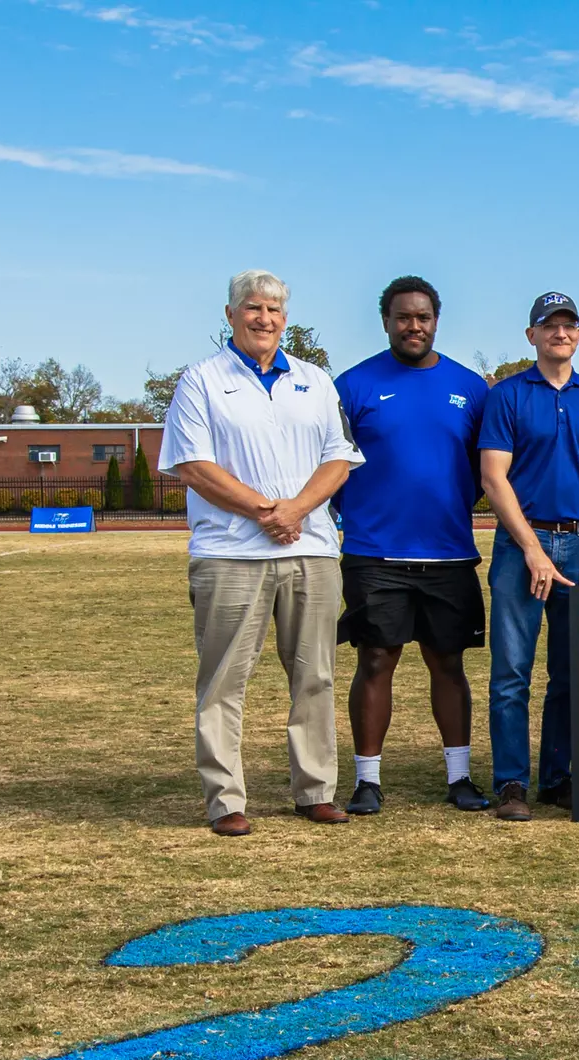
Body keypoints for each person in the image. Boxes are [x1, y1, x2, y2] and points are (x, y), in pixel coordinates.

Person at [159, 269, 363, 836]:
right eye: (252, 308)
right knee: (225, 680)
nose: (263, 319)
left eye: (273, 310)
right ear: (230, 316)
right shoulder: (200, 381)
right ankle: (226, 800)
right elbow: (194, 466)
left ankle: (315, 790)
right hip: (229, 554)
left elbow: (339, 458)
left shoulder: (314, 380)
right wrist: (265, 512)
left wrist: (295, 510)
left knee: (315, 676)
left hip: (312, 549)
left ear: (285, 319)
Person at [334, 275, 491, 815]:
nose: (414, 326)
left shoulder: (471, 388)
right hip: (375, 553)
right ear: (386, 322)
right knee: (375, 660)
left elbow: (484, 470)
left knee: (448, 663)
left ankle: (460, 776)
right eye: (403, 317)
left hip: (448, 552)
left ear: (436, 321)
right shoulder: (353, 385)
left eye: (423, 317)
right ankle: (367, 781)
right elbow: (331, 465)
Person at [479, 292, 579, 822]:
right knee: (511, 671)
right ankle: (512, 780)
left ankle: (559, 776)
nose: (560, 333)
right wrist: (534, 550)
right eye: (549, 325)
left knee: (570, 672)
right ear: (531, 335)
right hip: (523, 546)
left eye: (569, 325)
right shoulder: (508, 395)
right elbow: (494, 478)